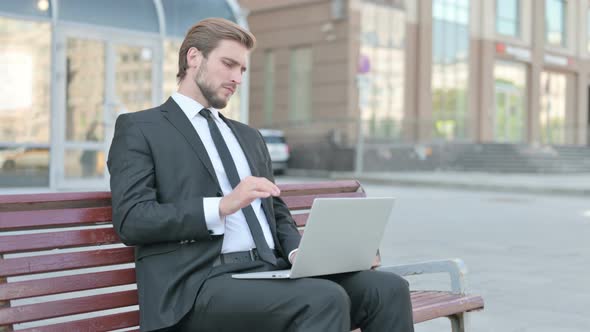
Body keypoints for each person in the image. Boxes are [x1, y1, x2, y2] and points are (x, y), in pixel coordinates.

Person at [107, 18, 413, 332]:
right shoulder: (141, 128)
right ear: (193, 57)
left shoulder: (248, 137)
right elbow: (132, 220)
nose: (237, 78)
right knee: (323, 299)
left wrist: (300, 253)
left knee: (387, 290)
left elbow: (276, 211)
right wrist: (222, 206)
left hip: (269, 272)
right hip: (197, 286)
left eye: (242, 69)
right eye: (229, 64)